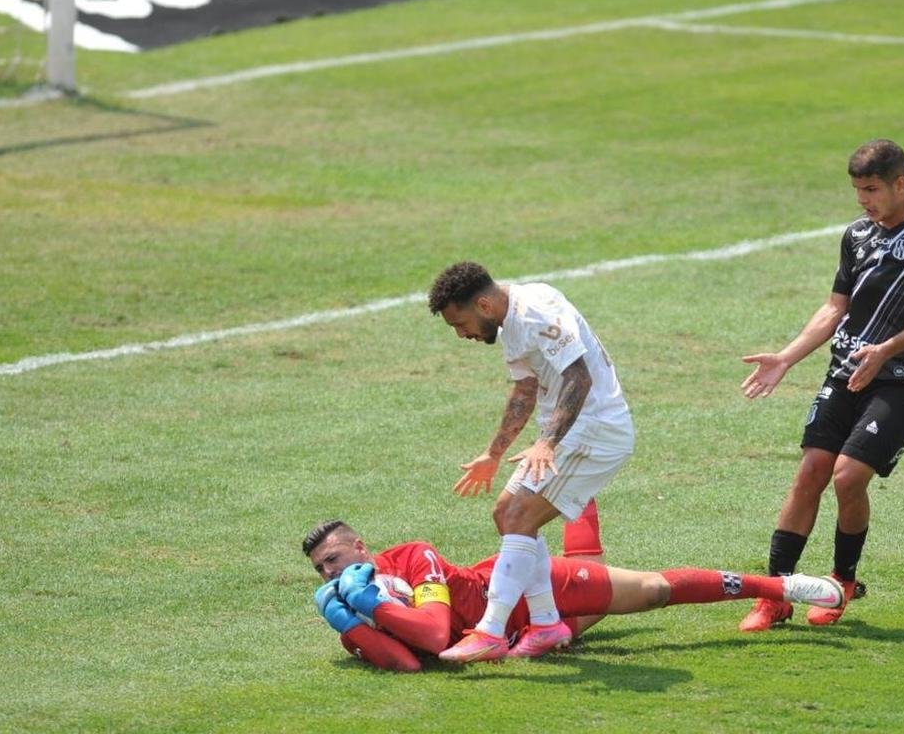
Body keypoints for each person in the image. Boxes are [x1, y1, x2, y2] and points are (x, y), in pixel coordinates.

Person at [738, 139, 904, 631]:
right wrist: (786, 357)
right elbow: (835, 307)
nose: (863, 200)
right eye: (857, 190)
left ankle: (842, 580)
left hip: (903, 378)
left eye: (871, 189)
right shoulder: (857, 235)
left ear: (900, 183)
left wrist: (887, 349)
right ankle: (774, 592)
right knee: (810, 472)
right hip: (847, 369)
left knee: (847, 476)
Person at [426, 262, 635, 661]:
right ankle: (545, 624)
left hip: (595, 431)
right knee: (506, 514)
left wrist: (546, 443)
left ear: (484, 305)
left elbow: (579, 377)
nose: (461, 335)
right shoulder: (511, 322)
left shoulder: (535, 313)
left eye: (461, 323)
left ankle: (489, 632)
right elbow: (526, 389)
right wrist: (494, 452)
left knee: (520, 515)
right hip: (572, 430)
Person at [303, 520, 845, 671]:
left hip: (514, 592)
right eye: (322, 569)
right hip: (520, 637)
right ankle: (577, 500)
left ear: (360, 547)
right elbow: (409, 663)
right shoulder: (345, 602)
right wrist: (349, 624)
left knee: (653, 591)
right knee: (599, 585)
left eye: (335, 559)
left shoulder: (409, 558)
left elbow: (434, 633)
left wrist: (372, 607)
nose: (331, 572)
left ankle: (780, 587)